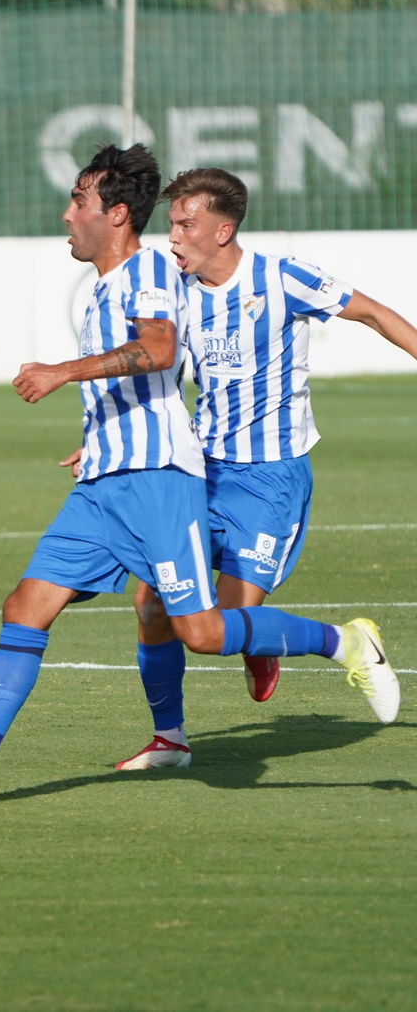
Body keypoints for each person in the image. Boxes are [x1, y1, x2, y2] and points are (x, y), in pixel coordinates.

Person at [0, 144, 394, 805]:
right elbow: (165, 372)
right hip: (108, 479)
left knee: (203, 632)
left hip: (160, 479)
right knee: (28, 606)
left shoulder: (151, 270)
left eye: (78, 202)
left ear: (116, 213)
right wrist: (98, 439)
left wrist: (63, 372)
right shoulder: (121, 285)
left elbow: (157, 349)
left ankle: (342, 642)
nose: (67, 215)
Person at [114, 167, 413, 770]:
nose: (173, 236)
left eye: (187, 224)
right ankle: (170, 740)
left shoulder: (281, 277)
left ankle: (314, 639)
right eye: (172, 224)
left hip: (268, 479)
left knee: (219, 626)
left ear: (223, 230)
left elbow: (374, 314)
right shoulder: (175, 293)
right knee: (152, 602)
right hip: (199, 471)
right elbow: (156, 372)